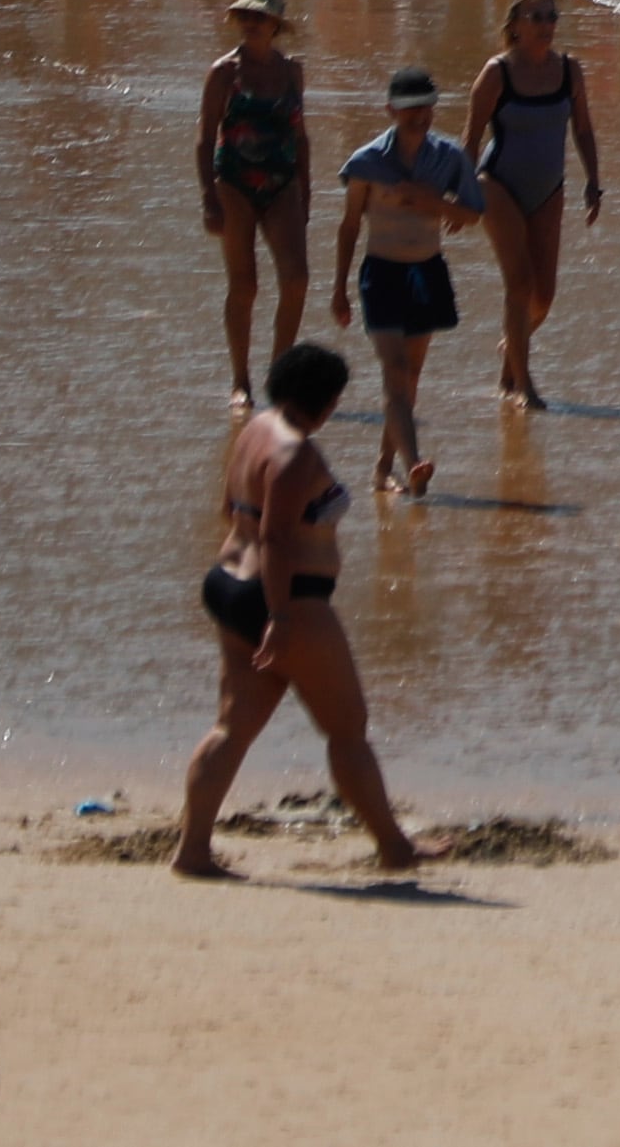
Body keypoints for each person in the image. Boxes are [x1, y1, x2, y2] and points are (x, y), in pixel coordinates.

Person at [178, 340, 418, 878]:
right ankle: (394, 848)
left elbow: (230, 510)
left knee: (231, 728)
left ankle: (191, 851)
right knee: (347, 728)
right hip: (284, 600)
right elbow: (278, 539)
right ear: (327, 401)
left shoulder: (254, 430)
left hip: (227, 586)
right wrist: (282, 619)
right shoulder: (296, 454)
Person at [329, 71, 473, 499]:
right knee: (394, 371)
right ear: (390, 109)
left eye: (427, 105)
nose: (419, 115)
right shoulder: (366, 162)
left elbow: (472, 215)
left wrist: (430, 201)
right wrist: (339, 288)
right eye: (410, 107)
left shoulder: (449, 158)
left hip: (426, 271)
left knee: (409, 379)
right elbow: (350, 225)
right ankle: (413, 464)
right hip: (383, 272)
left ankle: (383, 469)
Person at [462, 0, 602, 413]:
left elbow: (582, 128)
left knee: (544, 296)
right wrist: (462, 192)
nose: (545, 25)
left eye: (551, 16)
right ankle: (524, 386)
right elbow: (469, 138)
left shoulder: (569, 71)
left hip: (549, 189)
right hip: (497, 182)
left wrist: (593, 181)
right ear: (515, 26)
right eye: (535, 17)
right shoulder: (497, 73)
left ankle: (512, 352)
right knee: (519, 284)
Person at [196, 0, 311, 408]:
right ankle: (240, 380)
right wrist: (208, 197)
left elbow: (301, 137)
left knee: (296, 278)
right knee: (244, 285)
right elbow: (205, 139)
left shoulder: (292, 71)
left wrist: (307, 191)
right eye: (246, 15)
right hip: (235, 183)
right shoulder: (224, 72)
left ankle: (279, 374)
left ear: (276, 25)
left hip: (282, 184)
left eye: (260, 17)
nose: (251, 23)